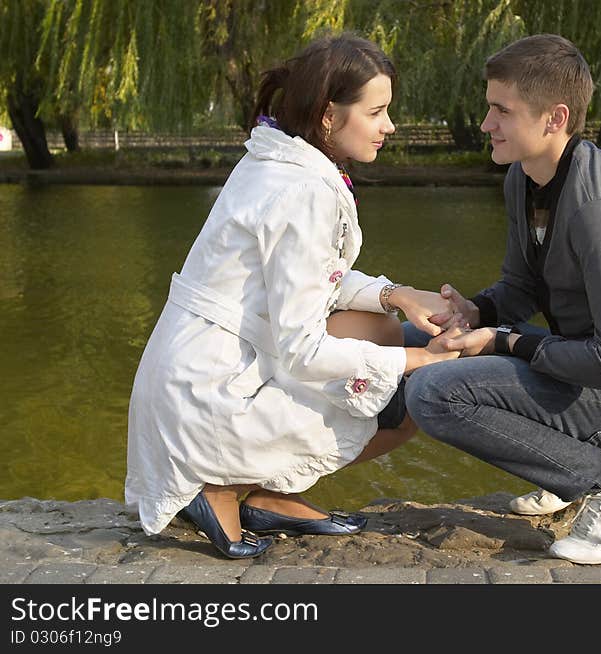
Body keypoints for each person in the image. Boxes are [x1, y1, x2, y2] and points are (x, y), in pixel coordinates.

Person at [125, 34, 460, 559]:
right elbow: (303, 348)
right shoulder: (302, 190)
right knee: (403, 391)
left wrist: (396, 294)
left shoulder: (276, 160)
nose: (389, 126)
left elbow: (305, 277)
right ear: (329, 115)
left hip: (188, 375)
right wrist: (416, 357)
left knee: (380, 330)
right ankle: (220, 484)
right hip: (209, 395)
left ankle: (266, 494)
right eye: (376, 112)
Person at [404, 34, 601, 565]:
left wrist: (502, 340)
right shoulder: (524, 178)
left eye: (501, 110)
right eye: (488, 106)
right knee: (414, 335)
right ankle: (566, 467)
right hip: (584, 361)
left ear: (554, 118)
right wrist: (477, 311)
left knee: (432, 392)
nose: (485, 124)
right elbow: (521, 287)